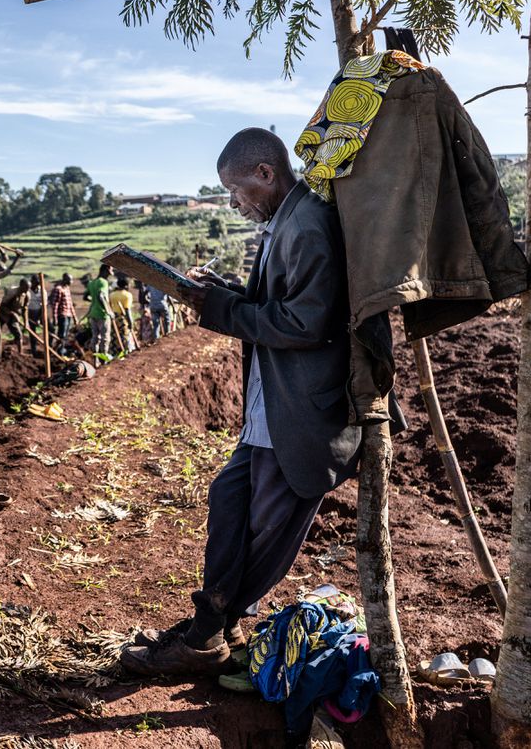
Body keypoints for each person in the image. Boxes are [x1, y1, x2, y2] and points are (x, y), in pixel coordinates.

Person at [121, 127, 373, 678]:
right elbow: (283, 303)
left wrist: (222, 309)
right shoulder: (288, 220)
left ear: (265, 173)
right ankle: (216, 625)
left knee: (263, 532)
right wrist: (229, 294)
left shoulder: (305, 225)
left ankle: (206, 635)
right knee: (230, 501)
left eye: (236, 192)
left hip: (299, 410)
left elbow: (306, 322)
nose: (235, 205)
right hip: (274, 404)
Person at [85, 264, 113, 359]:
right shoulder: (103, 282)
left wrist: (94, 302)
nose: (112, 272)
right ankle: (103, 360)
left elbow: (85, 296)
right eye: (111, 269)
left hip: (93, 313)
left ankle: (94, 360)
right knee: (105, 338)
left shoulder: (92, 283)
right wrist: (108, 311)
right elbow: (101, 296)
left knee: (95, 337)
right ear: (106, 269)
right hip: (102, 314)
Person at [108, 276, 137, 352]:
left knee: (114, 336)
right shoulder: (127, 295)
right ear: (126, 286)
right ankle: (125, 351)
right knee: (124, 336)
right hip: (122, 318)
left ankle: (114, 352)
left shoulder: (112, 295)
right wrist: (130, 322)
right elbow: (127, 310)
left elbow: (110, 306)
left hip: (114, 318)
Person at [49, 274, 76, 355]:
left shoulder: (67, 288)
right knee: (62, 334)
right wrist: (55, 318)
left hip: (68, 315)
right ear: (65, 279)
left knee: (66, 335)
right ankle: (59, 351)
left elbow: (70, 304)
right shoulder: (58, 289)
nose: (71, 282)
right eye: (70, 280)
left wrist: (74, 317)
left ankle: (61, 349)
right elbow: (55, 305)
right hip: (62, 315)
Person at [26, 275, 46, 357]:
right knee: (32, 332)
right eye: (34, 283)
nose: (36, 285)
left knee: (51, 329)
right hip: (30, 312)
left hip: (40, 312)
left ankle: (49, 347)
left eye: (37, 283)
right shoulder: (27, 291)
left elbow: (44, 305)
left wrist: (39, 318)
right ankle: (33, 350)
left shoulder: (42, 291)